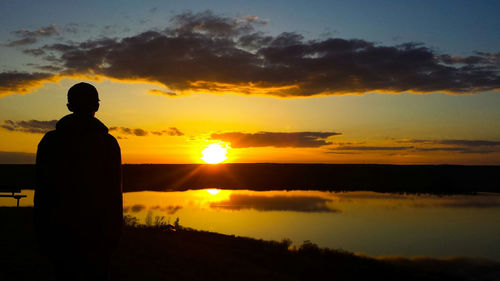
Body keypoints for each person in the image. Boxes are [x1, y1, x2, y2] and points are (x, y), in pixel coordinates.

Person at [34, 82, 122, 281]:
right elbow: (114, 194)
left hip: (60, 233)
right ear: (97, 106)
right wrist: (114, 233)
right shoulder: (108, 143)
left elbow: (42, 192)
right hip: (96, 234)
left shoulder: (50, 142)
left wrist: (42, 231)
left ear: (68, 106)